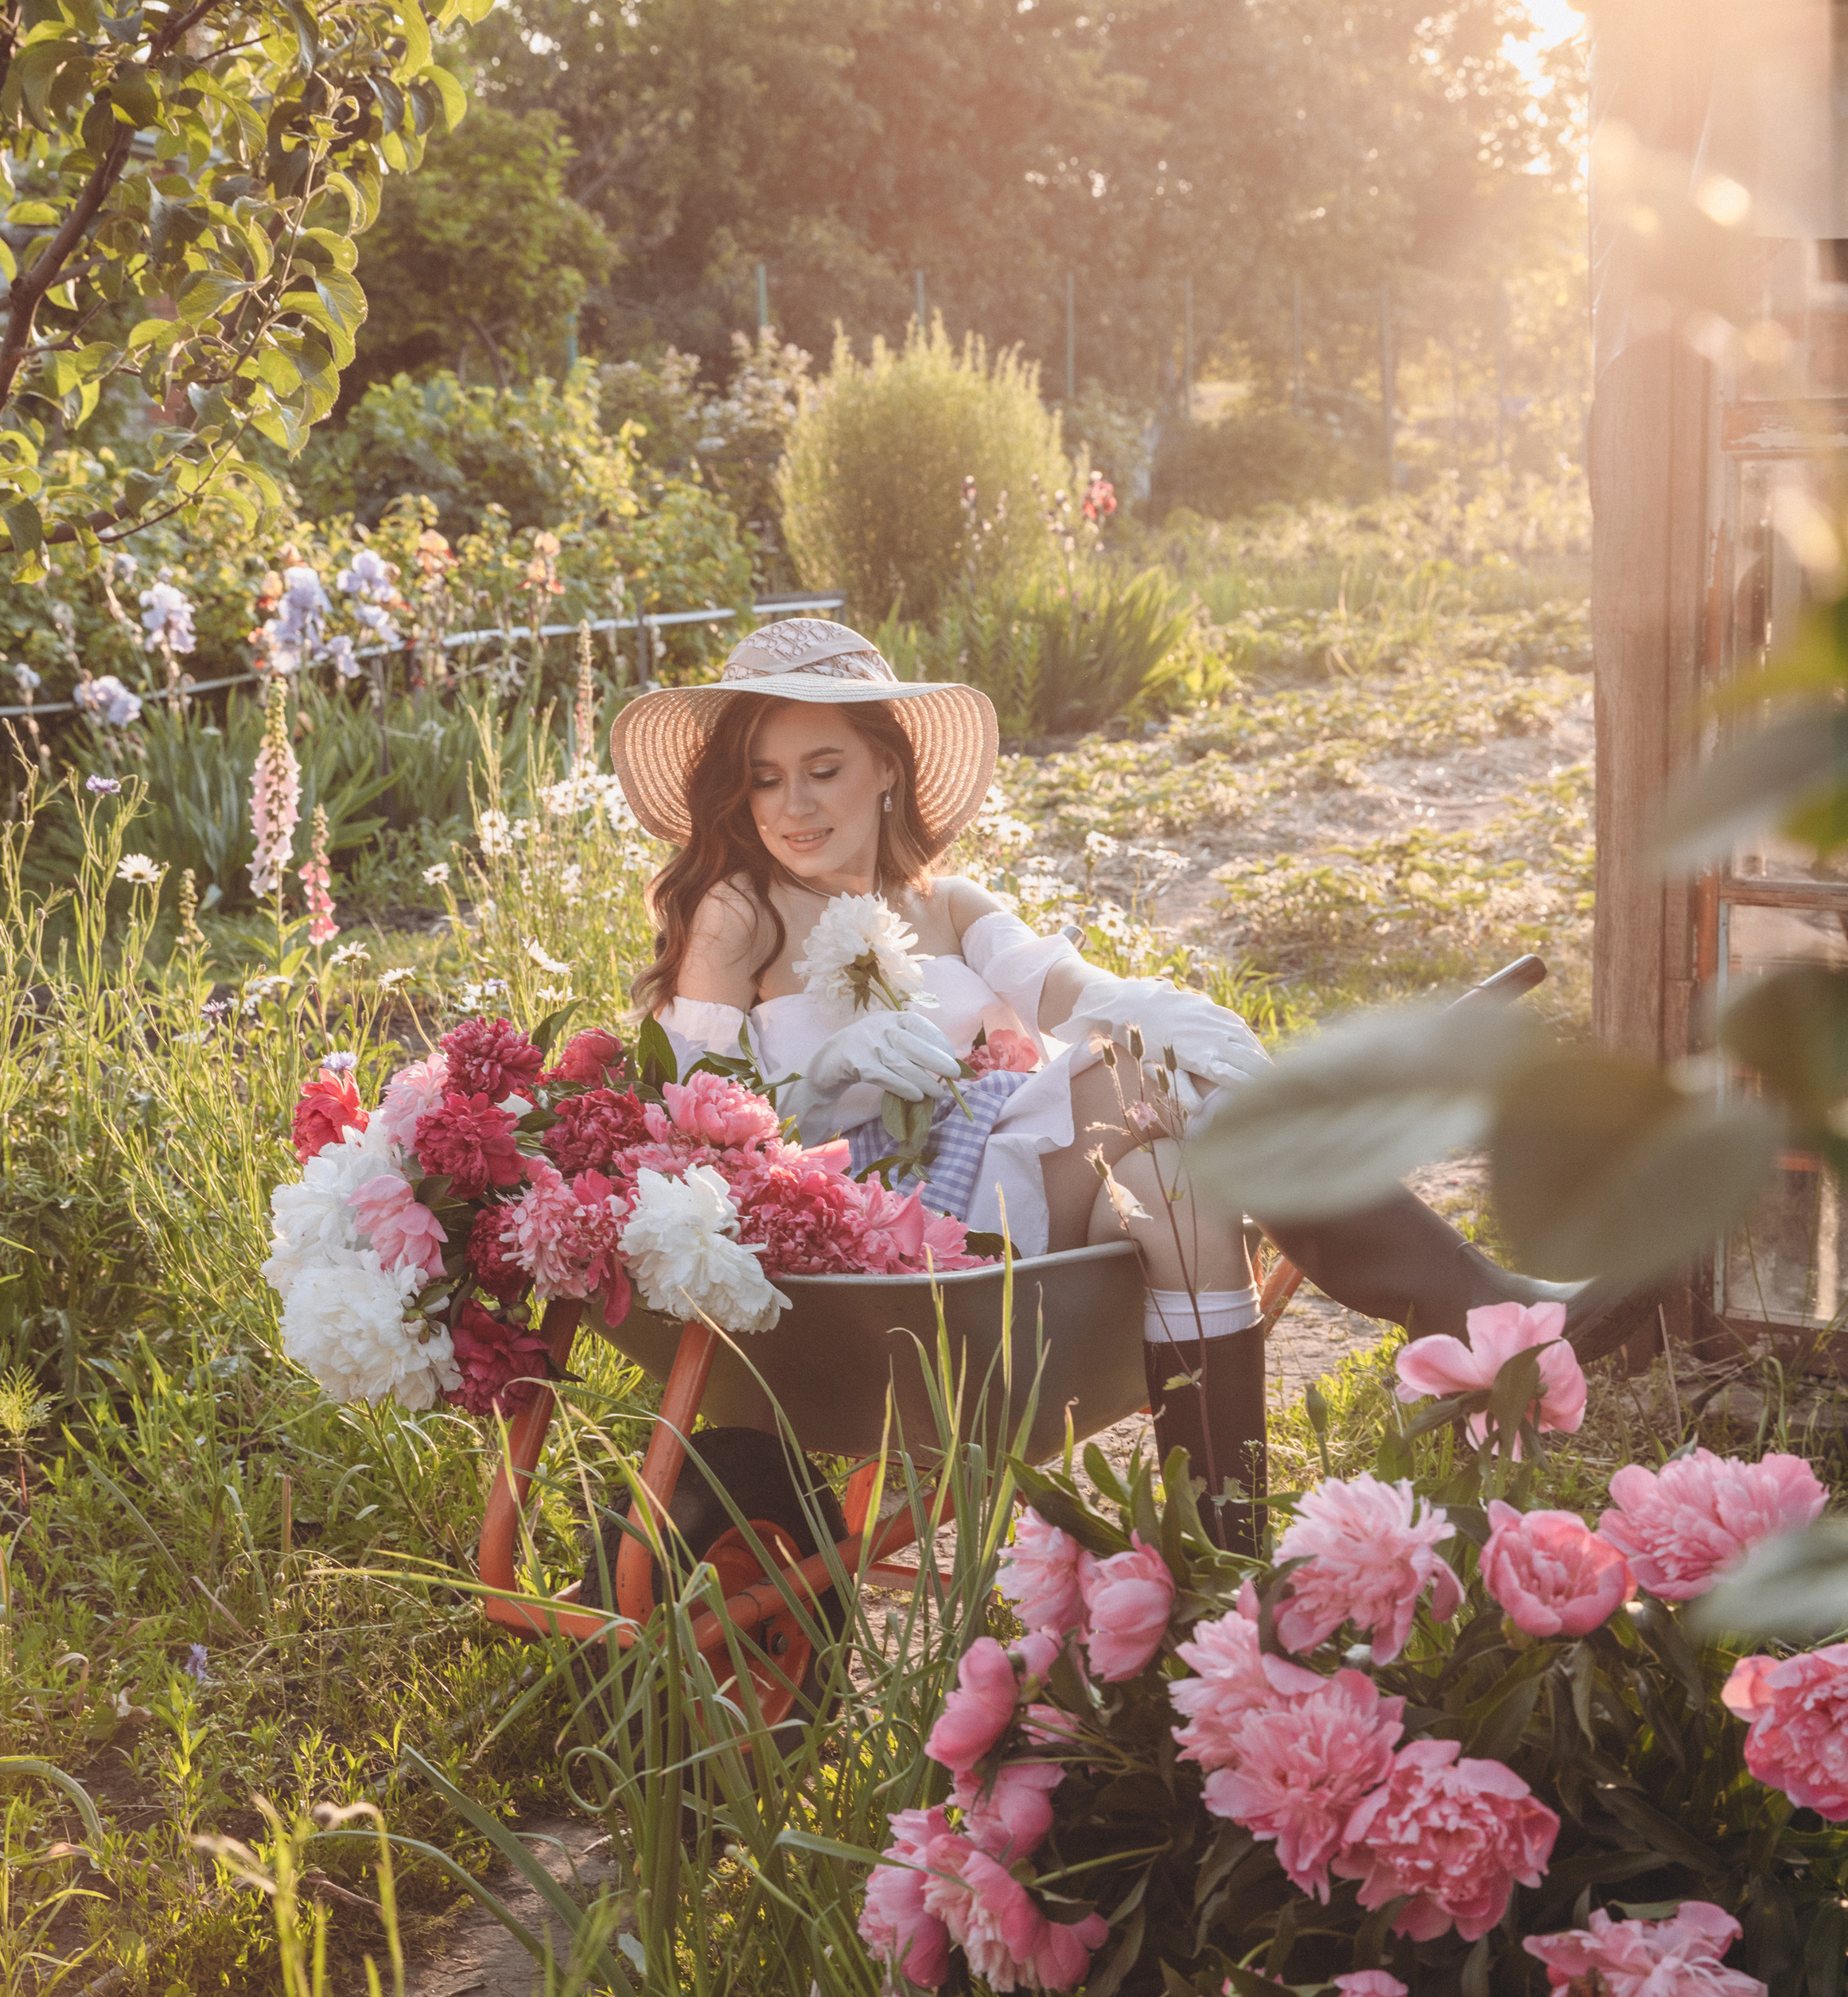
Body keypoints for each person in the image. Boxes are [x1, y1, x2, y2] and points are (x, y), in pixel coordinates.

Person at [610, 617, 1624, 1549]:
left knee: (1178, 1180)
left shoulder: (948, 905)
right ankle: (1471, 1306)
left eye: (822, 769)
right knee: (1140, 1079)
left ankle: (1218, 1557)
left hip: (1004, 1192)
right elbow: (692, 1114)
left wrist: (1174, 1020)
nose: (792, 805)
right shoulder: (739, 912)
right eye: (765, 779)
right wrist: (825, 1074)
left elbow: (1071, 994)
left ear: (885, 765)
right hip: (871, 1240)